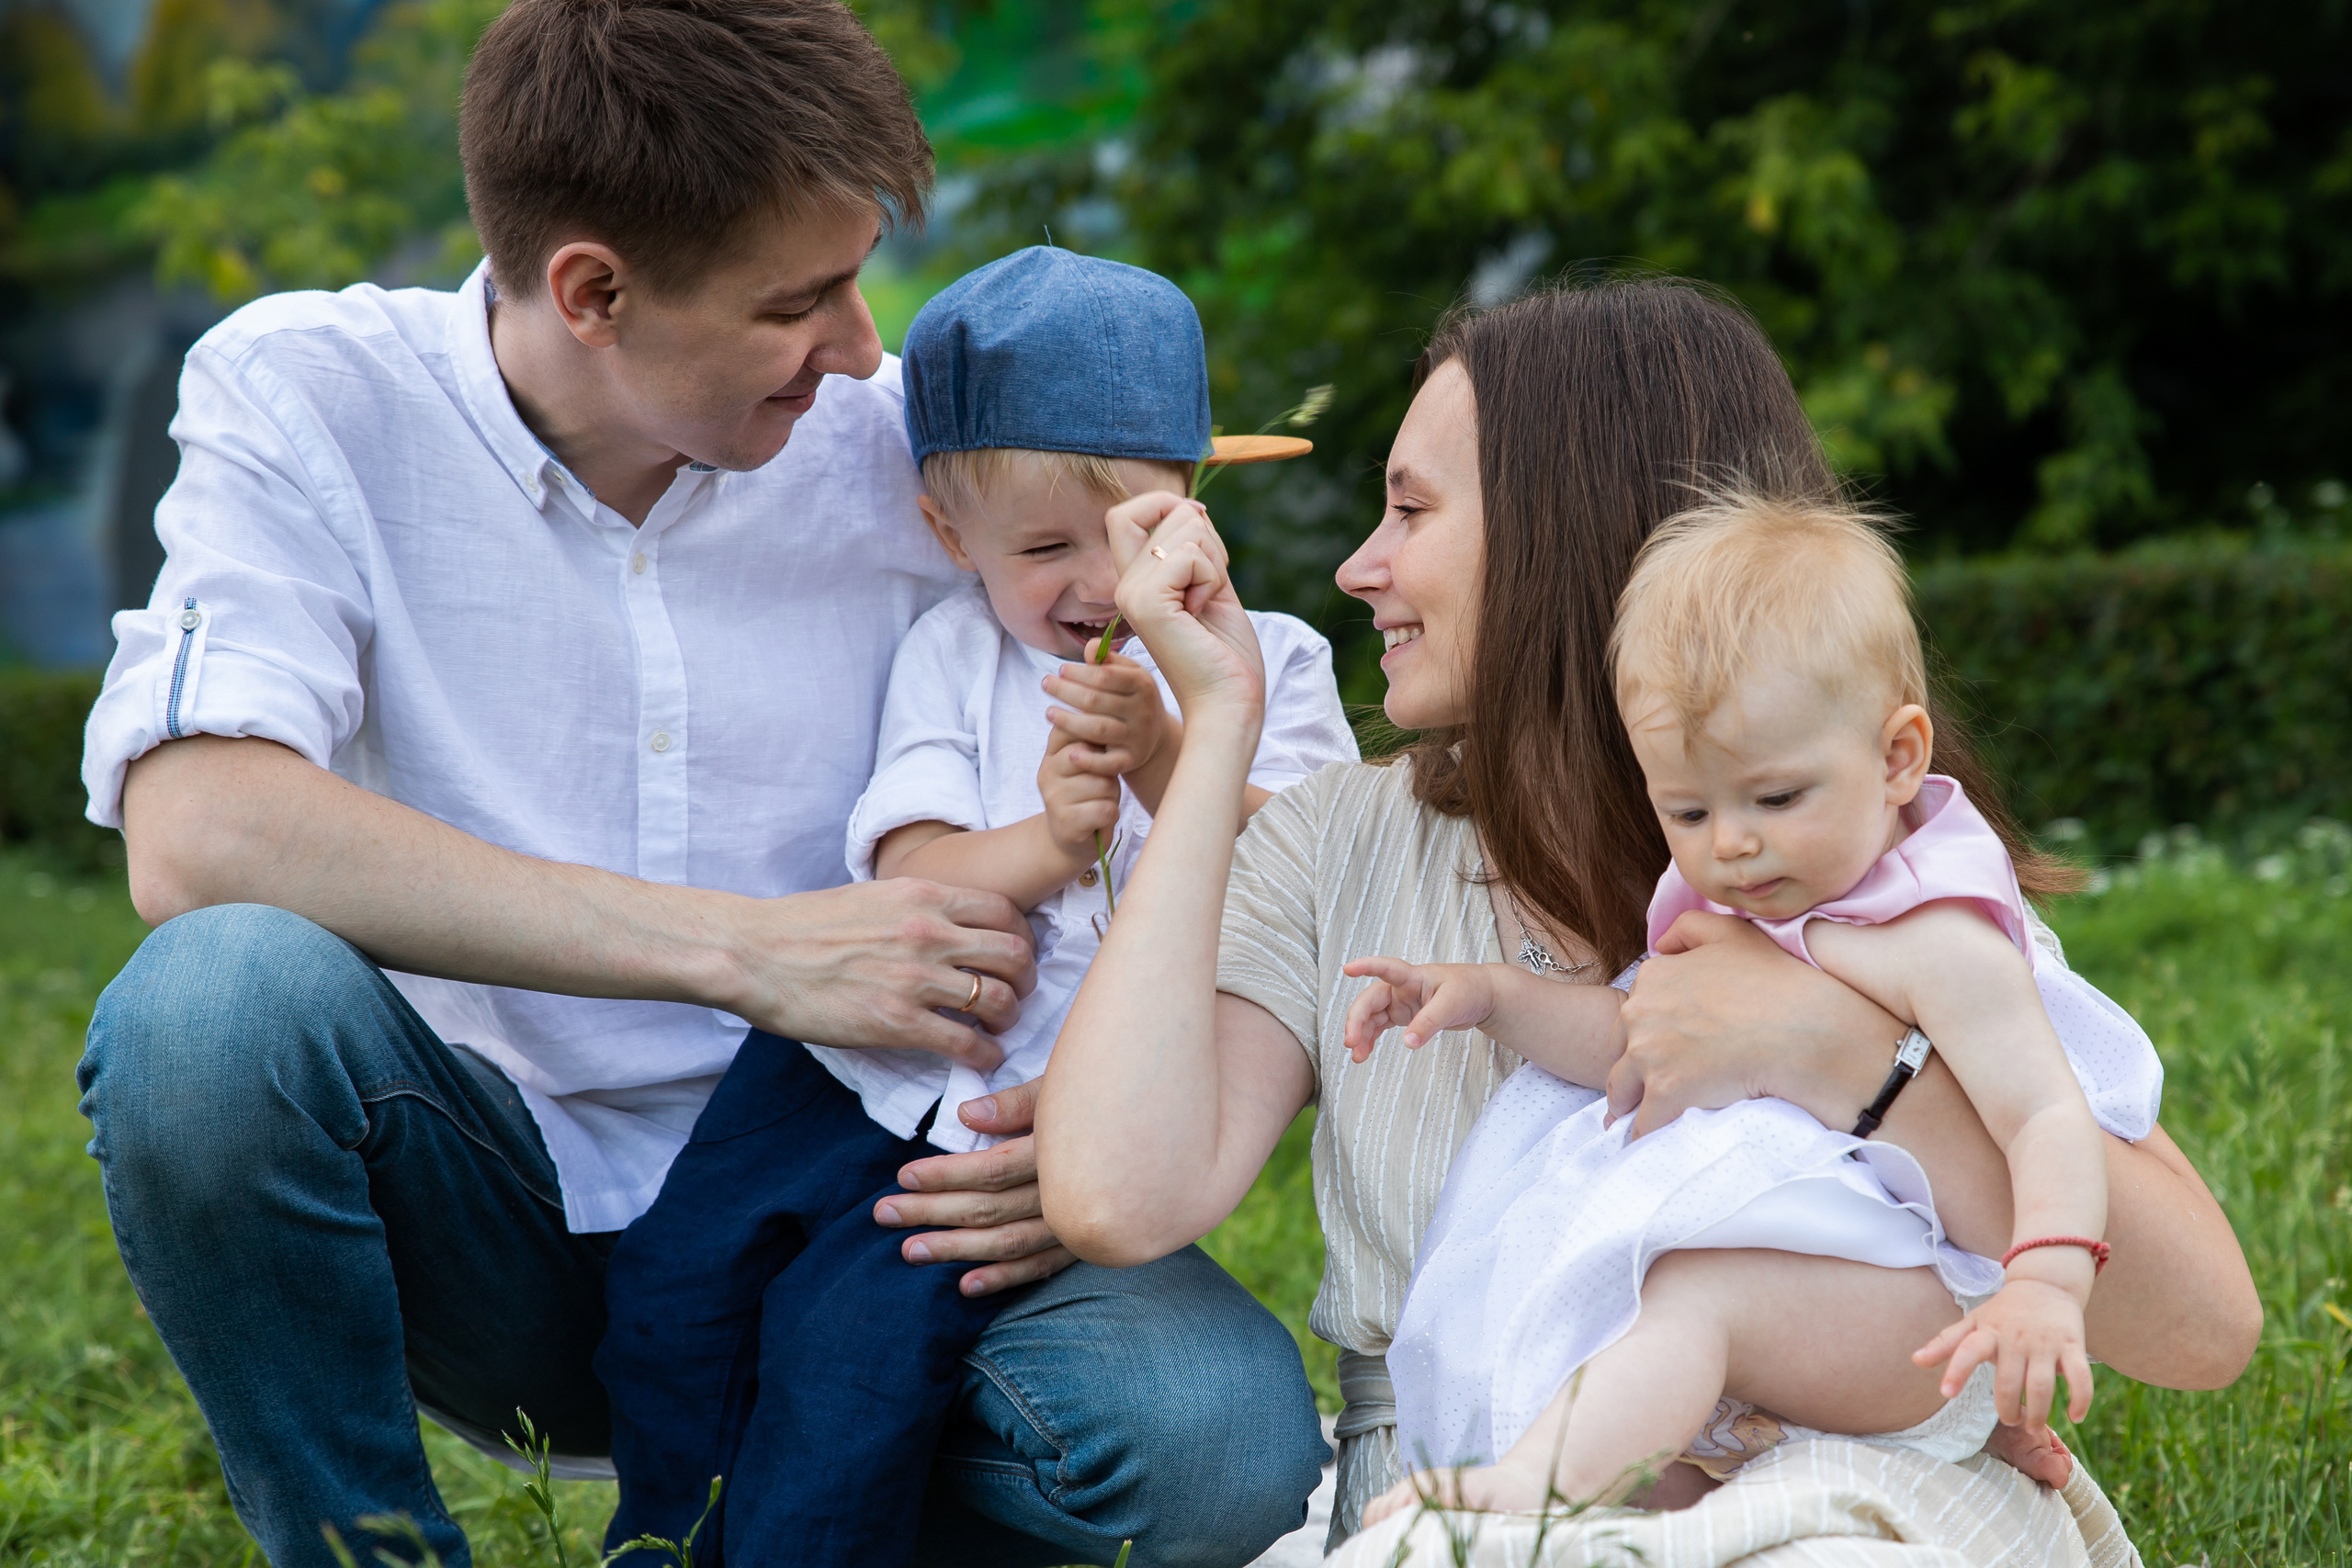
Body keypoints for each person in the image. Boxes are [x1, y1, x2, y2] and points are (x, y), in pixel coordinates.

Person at [72, 2, 1328, 1564]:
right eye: (800, 301)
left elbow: (1258, 816)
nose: (866, 350)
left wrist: (1072, 1134)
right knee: (209, 1010)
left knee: (1221, 1450)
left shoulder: (924, 471)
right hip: (496, 1202)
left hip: (887, 1191)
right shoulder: (315, 394)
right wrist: (751, 948)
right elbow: (198, 830)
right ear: (593, 290)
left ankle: (812, 1494)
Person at [1035, 278, 2260, 1555]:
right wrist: (1219, 717)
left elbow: (2201, 1327)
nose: (1359, 565)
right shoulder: (1337, 840)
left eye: (1410, 508)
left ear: (1567, 527)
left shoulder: (1857, 871)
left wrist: (1838, 1053)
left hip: (1838, 1495)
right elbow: (1118, 1194)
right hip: (1469, 1503)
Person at [594, 245, 1356, 1566]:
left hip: (1061, 1126)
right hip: (849, 1079)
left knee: (854, 1355)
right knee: (680, 1290)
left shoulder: (1273, 664)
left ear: (1195, 505)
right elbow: (911, 869)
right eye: (1039, 547)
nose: (1092, 589)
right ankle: (659, 1536)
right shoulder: (955, 650)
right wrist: (1053, 838)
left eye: (1127, 539)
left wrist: (1175, 751)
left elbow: (1297, 889)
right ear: (954, 538)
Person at [1346, 491, 2162, 1525]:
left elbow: (2042, 1114)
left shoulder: (1931, 935)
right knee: (1648, 1375)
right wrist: (1488, 997)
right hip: (1808, 1308)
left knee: (1699, 1302)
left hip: (1915, 1316)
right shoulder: (1722, 903)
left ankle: (1528, 1494)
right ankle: (1606, 1509)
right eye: (1687, 810)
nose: (1729, 843)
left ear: (1898, 757)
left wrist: (2044, 1282)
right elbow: (1637, 1046)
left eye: (1775, 799)